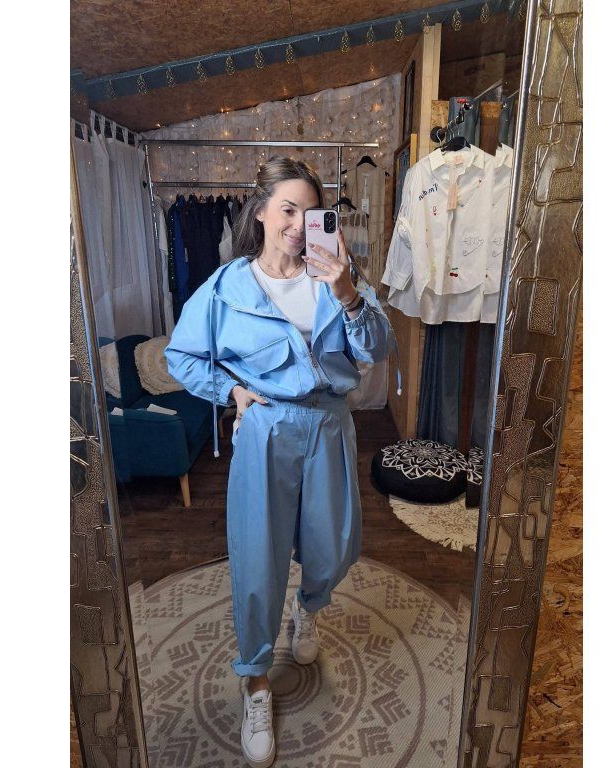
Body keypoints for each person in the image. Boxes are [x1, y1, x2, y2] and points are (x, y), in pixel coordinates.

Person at [164, 156, 398, 768]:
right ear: (262, 212)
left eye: (310, 212)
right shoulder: (227, 288)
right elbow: (181, 356)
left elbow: (379, 347)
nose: (298, 224)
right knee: (258, 557)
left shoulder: (337, 277)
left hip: (330, 424)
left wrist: (348, 294)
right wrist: (231, 392)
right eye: (288, 210)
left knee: (335, 544)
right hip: (266, 429)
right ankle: (256, 682)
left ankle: (308, 608)